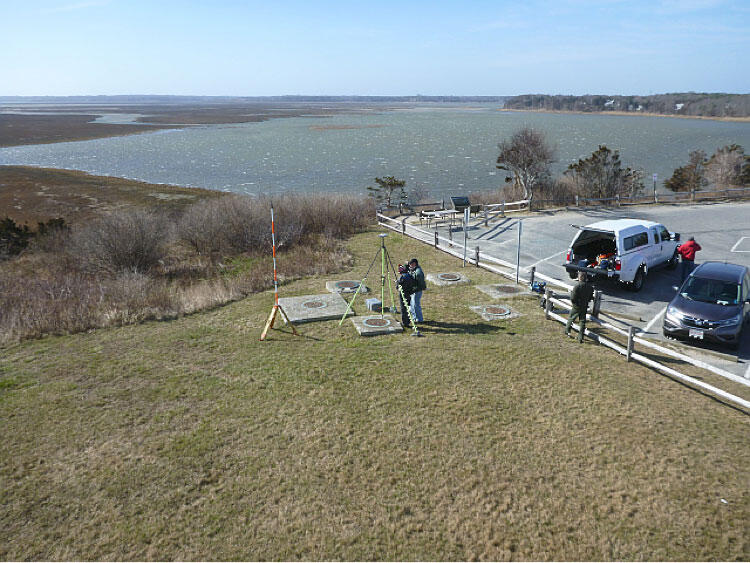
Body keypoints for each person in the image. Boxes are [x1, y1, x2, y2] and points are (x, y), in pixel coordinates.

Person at [565, 271, 594, 343]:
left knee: (571, 318)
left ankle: (567, 330)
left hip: (577, 306)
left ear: (580, 277)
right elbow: (591, 297)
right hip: (584, 305)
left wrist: (575, 304)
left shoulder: (577, 286)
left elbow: (573, 298)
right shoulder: (590, 287)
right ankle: (580, 337)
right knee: (582, 321)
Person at [396, 265, 417, 329]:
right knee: (409, 307)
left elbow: (398, 287)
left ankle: (405, 323)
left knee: (403, 308)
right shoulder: (409, 275)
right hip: (409, 294)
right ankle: (408, 320)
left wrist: (397, 283)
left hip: (403, 294)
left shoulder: (402, 278)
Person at [408, 258, 426, 323]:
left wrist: (414, 290)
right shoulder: (414, 269)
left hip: (417, 290)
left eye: (411, 264)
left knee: (416, 304)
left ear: (414, 264)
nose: (409, 266)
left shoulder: (418, 273)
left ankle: (419, 319)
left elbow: (420, 284)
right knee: (412, 304)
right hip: (414, 290)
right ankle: (414, 317)